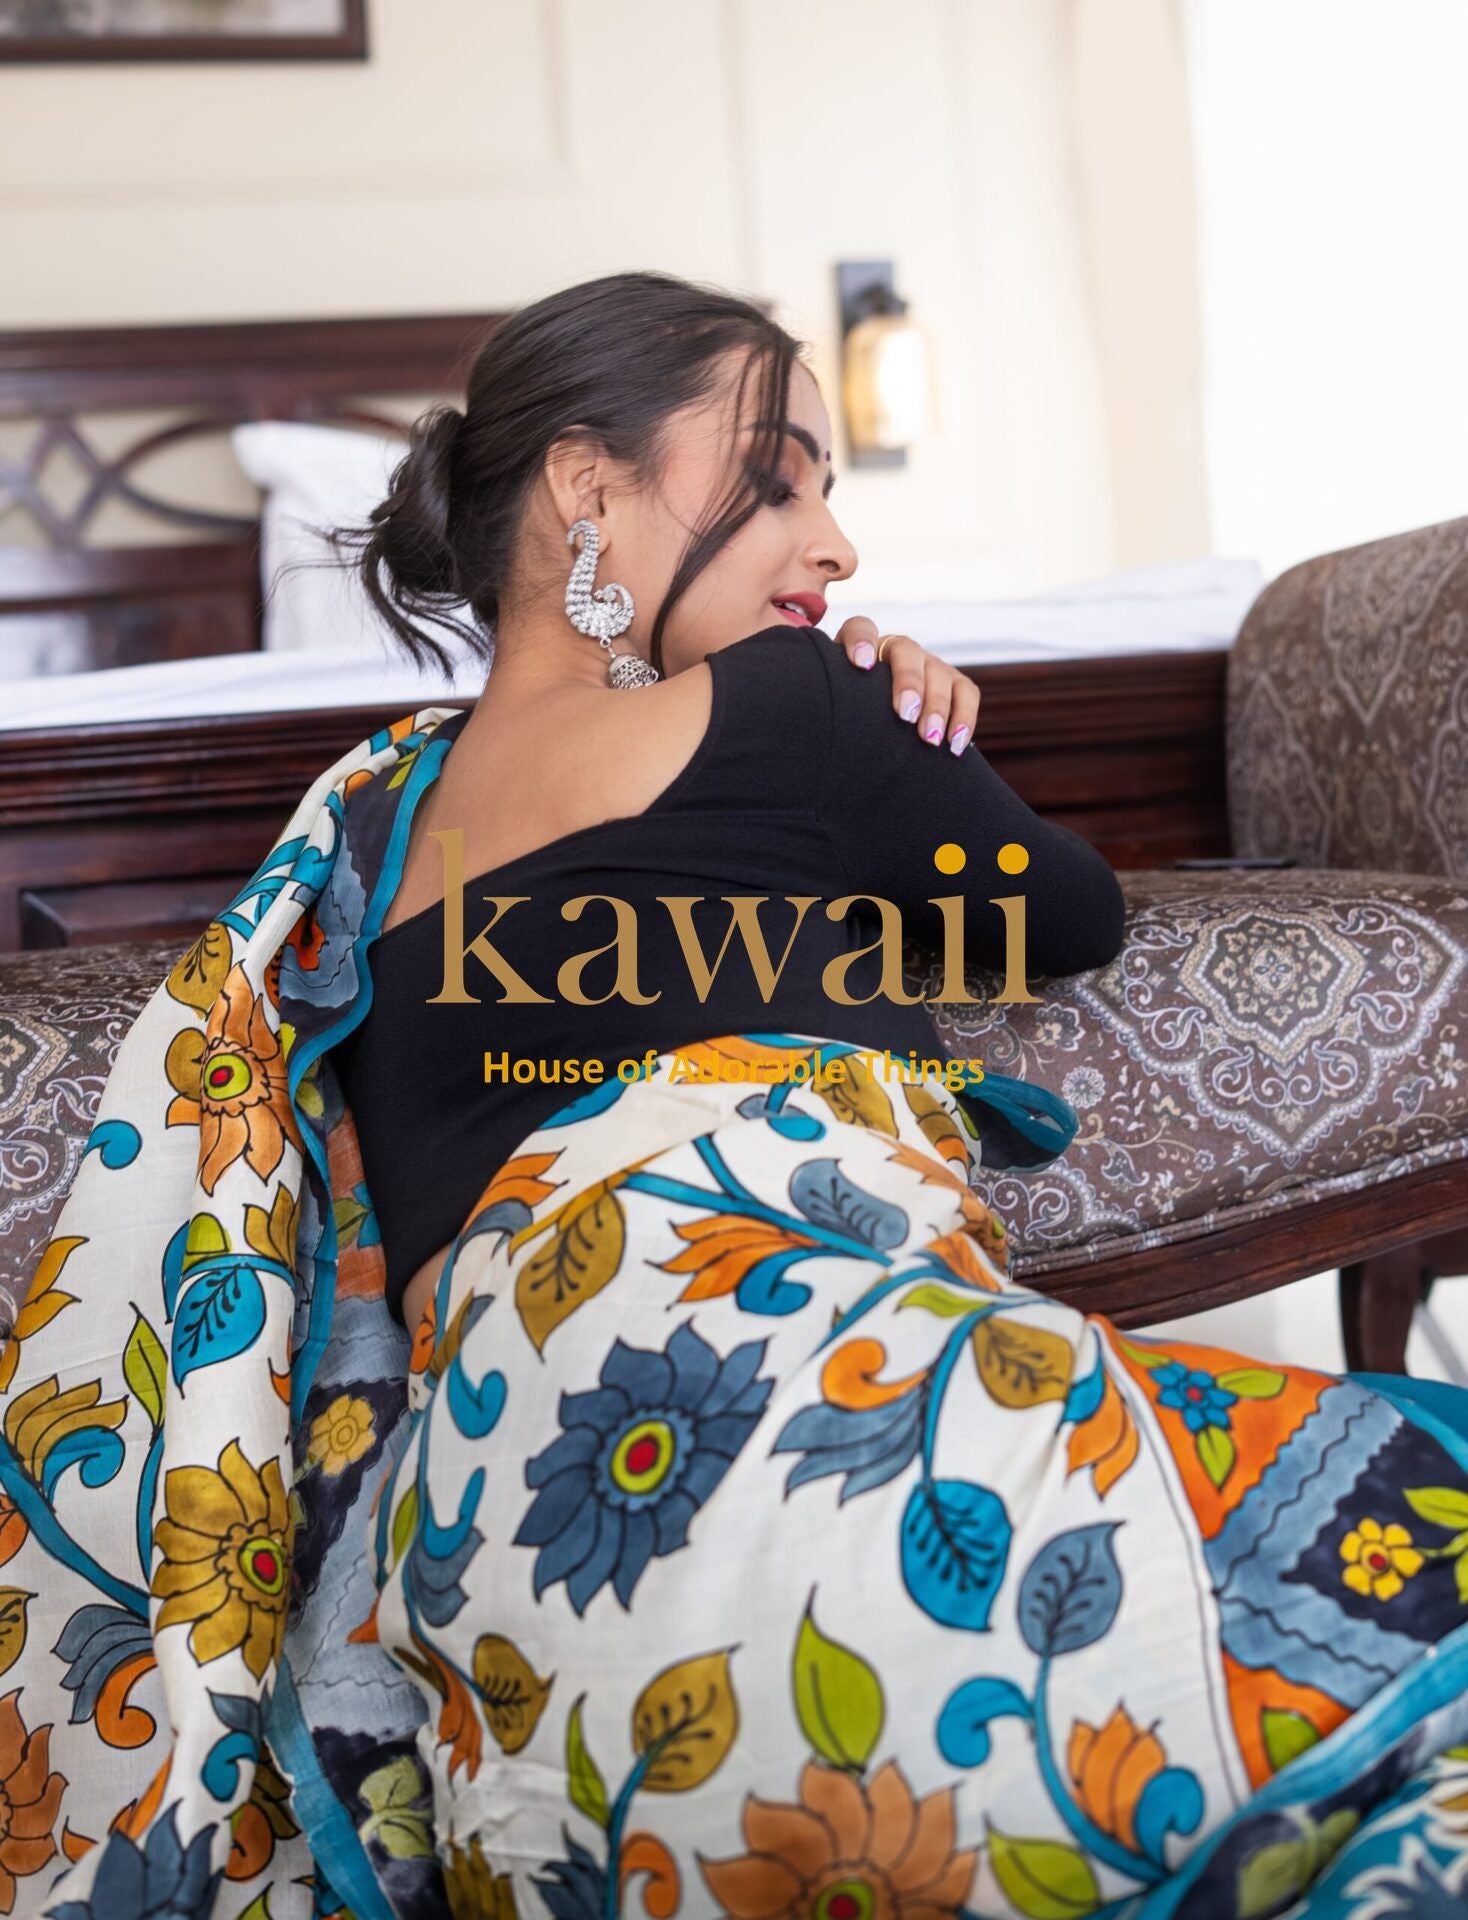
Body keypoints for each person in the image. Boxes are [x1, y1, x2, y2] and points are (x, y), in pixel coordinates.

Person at [5, 273, 1468, 1920]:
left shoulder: (372, 835)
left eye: (831, 492)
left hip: (499, 1574)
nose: (834, 544)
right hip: (778, 1397)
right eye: (776, 479)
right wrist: (912, 716)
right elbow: (1069, 915)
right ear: (584, 489)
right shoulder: (796, 709)